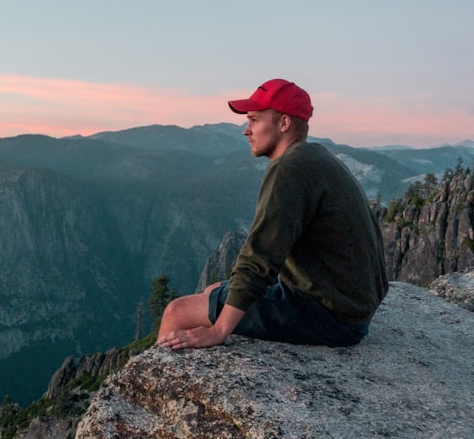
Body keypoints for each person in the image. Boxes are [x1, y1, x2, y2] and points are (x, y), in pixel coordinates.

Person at [157, 78, 389, 350]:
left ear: (283, 123)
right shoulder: (315, 157)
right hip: (347, 309)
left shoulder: (289, 169)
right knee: (211, 291)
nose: (246, 131)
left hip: (329, 317)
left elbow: (259, 257)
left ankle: (150, 381)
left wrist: (220, 331)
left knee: (178, 311)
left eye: (254, 120)